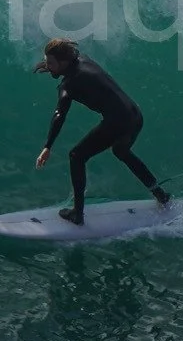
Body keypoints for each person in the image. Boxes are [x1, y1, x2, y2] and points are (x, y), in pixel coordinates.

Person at [32, 38, 170, 223]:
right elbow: (68, 68)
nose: (48, 67)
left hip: (118, 121)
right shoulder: (84, 60)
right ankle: (161, 195)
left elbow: (59, 114)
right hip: (135, 115)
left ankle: (77, 214)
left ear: (63, 62)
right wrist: (52, 65)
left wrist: (48, 146)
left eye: (51, 63)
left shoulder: (69, 84)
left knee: (76, 156)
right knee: (121, 151)